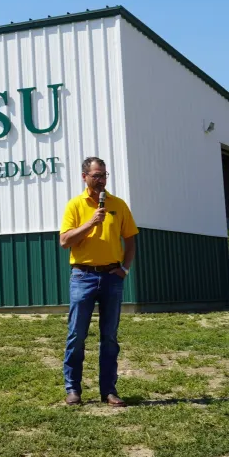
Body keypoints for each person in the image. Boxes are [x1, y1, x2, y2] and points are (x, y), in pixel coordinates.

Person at [59, 157, 138, 407]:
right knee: (76, 335)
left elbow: (130, 240)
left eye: (104, 175)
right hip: (82, 276)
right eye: (96, 175)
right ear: (84, 177)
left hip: (112, 277)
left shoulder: (118, 205)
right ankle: (73, 389)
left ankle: (109, 391)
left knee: (109, 336)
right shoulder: (75, 205)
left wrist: (124, 268)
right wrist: (92, 222)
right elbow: (65, 241)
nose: (101, 180)